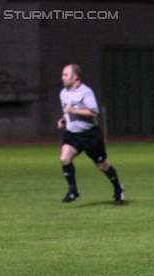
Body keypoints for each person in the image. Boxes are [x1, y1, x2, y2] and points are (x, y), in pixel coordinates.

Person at [57, 64, 124, 205]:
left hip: (90, 135)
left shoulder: (86, 92)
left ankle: (118, 190)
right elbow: (67, 110)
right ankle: (73, 191)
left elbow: (94, 112)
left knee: (103, 165)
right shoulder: (63, 93)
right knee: (64, 158)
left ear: (75, 77)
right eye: (62, 75)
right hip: (73, 134)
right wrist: (63, 119)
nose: (62, 78)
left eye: (65, 75)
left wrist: (73, 110)